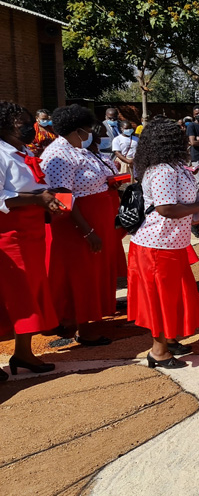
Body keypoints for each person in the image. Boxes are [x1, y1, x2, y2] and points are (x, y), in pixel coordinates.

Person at [127, 117, 199, 369]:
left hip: (171, 242)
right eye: (178, 134)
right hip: (156, 244)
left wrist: (196, 209)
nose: (184, 137)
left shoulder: (174, 166)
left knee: (173, 296)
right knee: (160, 298)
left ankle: (169, 338)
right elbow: (165, 208)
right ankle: (158, 351)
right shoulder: (163, 169)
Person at [41, 104, 121, 346]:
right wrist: (88, 231)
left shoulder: (76, 150)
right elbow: (63, 198)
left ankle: (85, 320)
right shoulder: (59, 155)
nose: (89, 135)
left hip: (94, 219)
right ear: (76, 130)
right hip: (77, 226)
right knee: (81, 275)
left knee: (92, 273)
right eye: (86, 130)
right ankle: (82, 328)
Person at [0, 101, 62, 378]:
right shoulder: (0, 154)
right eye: (22, 123)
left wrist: (47, 197)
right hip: (10, 234)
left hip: (33, 231)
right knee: (12, 296)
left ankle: (23, 352)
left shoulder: (23, 150)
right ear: (5, 126)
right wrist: (36, 199)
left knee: (33, 290)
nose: (30, 128)